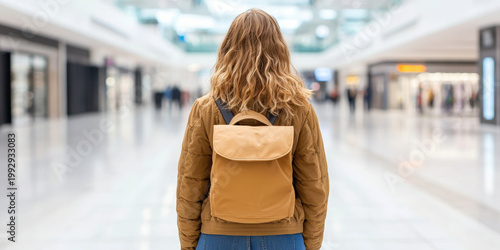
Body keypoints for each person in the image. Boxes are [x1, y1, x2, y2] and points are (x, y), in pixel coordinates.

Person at [176, 9, 329, 250]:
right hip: (284, 234)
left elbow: (190, 185)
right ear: (280, 50)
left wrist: (189, 244)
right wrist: (309, 244)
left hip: (219, 235)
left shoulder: (204, 108)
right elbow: (315, 186)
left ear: (228, 50)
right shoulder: (300, 109)